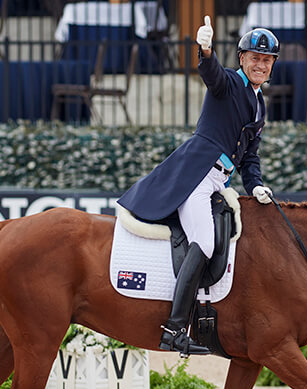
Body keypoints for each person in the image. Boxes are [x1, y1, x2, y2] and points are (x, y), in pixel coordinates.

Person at [117, 16, 278, 356]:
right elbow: (213, 77)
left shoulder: (259, 104)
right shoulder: (232, 84)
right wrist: (205, 51)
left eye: (266, 60)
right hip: (197, 177)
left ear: (272, 65)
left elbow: (249, 157)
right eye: (255, 58)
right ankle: (174, 329)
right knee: (203, 242)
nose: (260, 64)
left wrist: (257, 185)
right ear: (242, 59)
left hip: (219, 181)